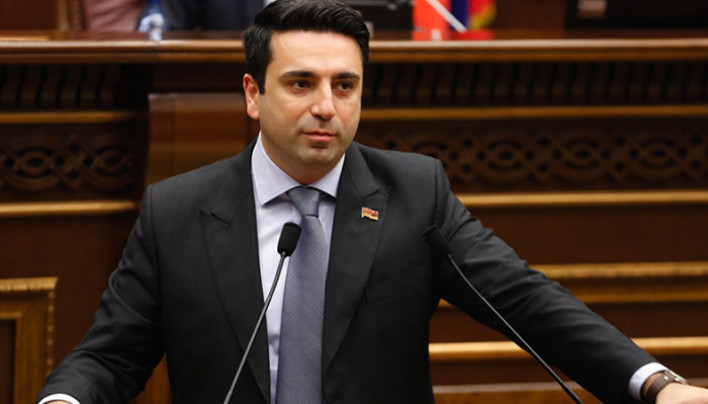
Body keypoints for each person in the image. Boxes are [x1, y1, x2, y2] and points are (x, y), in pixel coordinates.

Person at [38, 0, 708, 403]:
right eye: (300, 83)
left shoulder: (415, 194)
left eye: (345, 85)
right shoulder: (178, 210)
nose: (325, 107)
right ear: (252, 94)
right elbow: (111, 355)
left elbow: (528, 302)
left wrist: (654, 383)